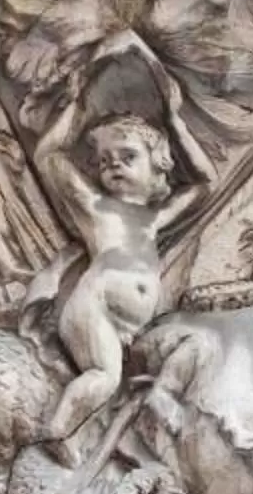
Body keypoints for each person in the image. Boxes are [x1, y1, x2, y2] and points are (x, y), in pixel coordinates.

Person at [33, 32, 216, 443]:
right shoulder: (96, 207)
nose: (113, 164)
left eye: (127, 156)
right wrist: (74, 105)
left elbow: (205, 184)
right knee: (103, 376)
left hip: (127, 323)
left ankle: (76, 437)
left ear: (159, 165)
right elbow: (48, 157)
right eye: (104, 160)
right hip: (95, 304)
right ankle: (55, 431)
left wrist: (175, 122)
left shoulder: (152, 218)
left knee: (122, 380)